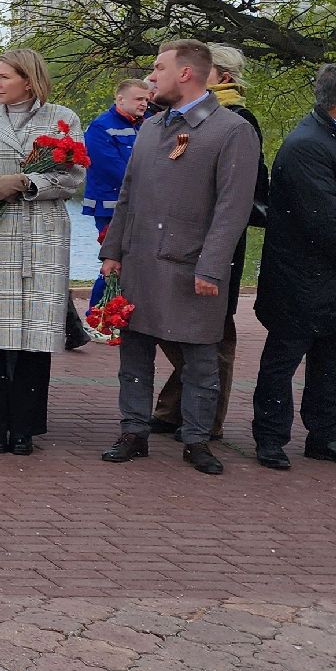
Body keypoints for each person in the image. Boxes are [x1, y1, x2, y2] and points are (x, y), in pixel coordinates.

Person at [98, 40, 260, 475]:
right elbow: (128, 195)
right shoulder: (152, 127)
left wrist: (211, 266)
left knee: (202, 360)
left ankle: (197, 441)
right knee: (134, 354)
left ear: (186, 73)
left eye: (159, 68)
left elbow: (233, 208)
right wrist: (112, 251)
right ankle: (133, 433)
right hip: (140, 261)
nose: (151, 77)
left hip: (192, 267)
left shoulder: (232, 130)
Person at [249, 64, 336, 471]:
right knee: (284, 357)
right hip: (302, 276)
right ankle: (271, 437)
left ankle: (325, 434)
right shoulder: (307, 145)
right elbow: (323, 215)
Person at [0, 49, 85, 456]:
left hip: (38, 236)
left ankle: (24, 426)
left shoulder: (62, 119)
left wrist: (25, 182)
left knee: (32, 336)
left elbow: (73, 174)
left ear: (28, 79)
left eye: (4, 76)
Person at [146, 44, 267, 441]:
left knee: (213, 330)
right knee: (169, 320)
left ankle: (205, 416)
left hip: (214, 238)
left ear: (223, 76)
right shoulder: (167, 118)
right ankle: (176, 406)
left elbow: (245, 190)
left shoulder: (236, 121)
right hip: (171, 236)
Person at [82, 78, 151, 309]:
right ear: (120, 99)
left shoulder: (148, 124)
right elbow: (115, 169)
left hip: (141, 205)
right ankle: (97, 314)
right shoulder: (101, 127)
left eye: (146, 99)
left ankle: (121, 314)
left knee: (135, 262)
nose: (144, 104)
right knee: (114, 260)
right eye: (139, 99)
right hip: (109, 207)